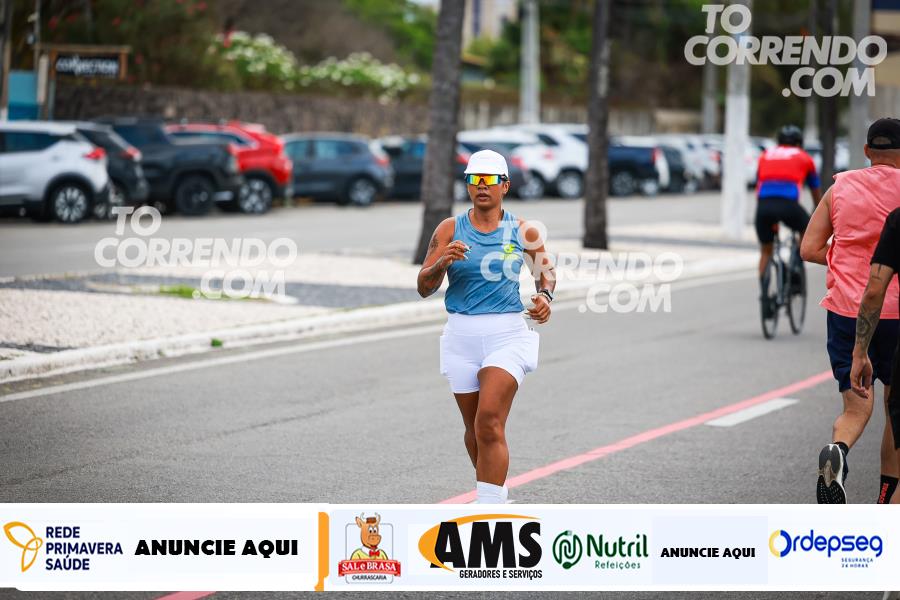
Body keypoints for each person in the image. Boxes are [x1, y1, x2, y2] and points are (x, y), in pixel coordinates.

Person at [416, 149, 555, 504]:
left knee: (489, 420)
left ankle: (489, 508)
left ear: (504, 185)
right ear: (467, 185)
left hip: (506, 336)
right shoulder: (449, 229)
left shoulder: (523, 231)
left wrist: (545, 296)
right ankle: (496, 493)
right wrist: (442, 262)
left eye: (489, 179)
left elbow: (546, 273)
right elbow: (423, 287)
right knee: (474, 429)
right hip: (460, 337)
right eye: (474, 179)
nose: (481, 185)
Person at [801, 117, 900, 504]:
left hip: (847, 312)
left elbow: (809, 248)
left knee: (856, 407)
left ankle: (837, 451)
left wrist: (846, 261)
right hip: (896, 313)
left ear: (866, 151)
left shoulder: (840, 187)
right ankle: (886, 501)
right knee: (896, 413)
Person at [756, 125, 822, 292]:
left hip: (764, 205)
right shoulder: (804, 157)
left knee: (766, 251)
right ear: (799, 143)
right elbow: (815, 191)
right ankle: (797, 265)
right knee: (806, 229)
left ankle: (764, 295)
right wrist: (817, 212)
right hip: (788, 205)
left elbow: (759, 184)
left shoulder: (765, 155)